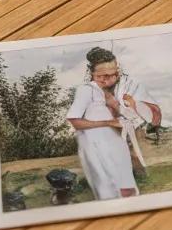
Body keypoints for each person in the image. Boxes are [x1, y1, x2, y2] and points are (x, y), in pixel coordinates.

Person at [66, 49, 160, 200]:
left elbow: (133, 115)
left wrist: (129, 105)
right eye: (102, 76)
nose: (109, 80)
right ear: (92, 73)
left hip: (117, 146)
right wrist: (108, 122)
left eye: (113, 74)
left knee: (129, 191)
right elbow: (74, 121)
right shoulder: (86, 90)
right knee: (108, 193)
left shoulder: (118, 90)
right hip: (97, 148)